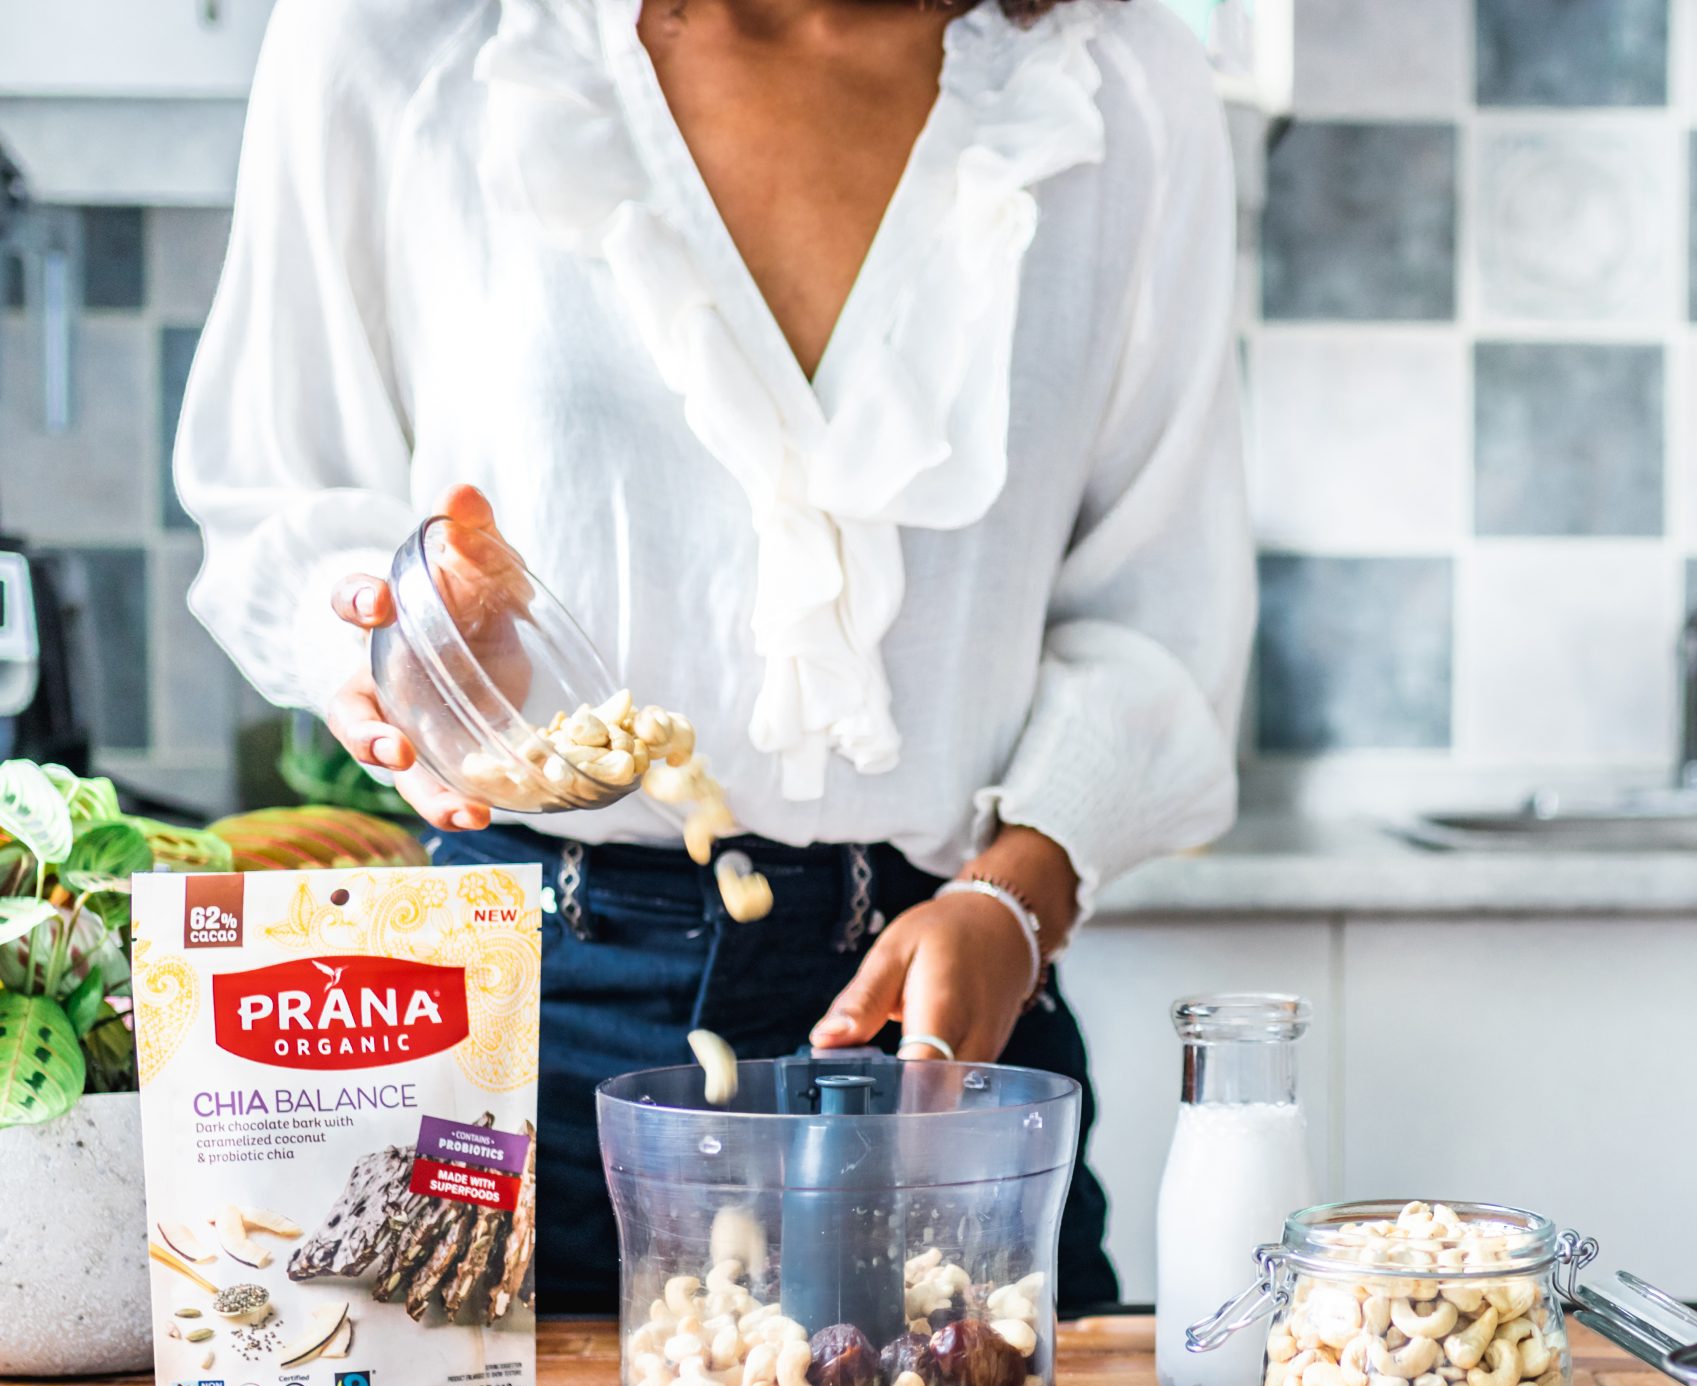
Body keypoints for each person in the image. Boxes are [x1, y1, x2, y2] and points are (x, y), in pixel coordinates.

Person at [175, 0, 1251, 1316]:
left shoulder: (1114, 86)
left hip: (936, 1019)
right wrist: (424, 646)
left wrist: (1019, 898)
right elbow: (290, 495)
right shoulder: (400, 38)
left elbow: (1160, 597)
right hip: (519, 1026)